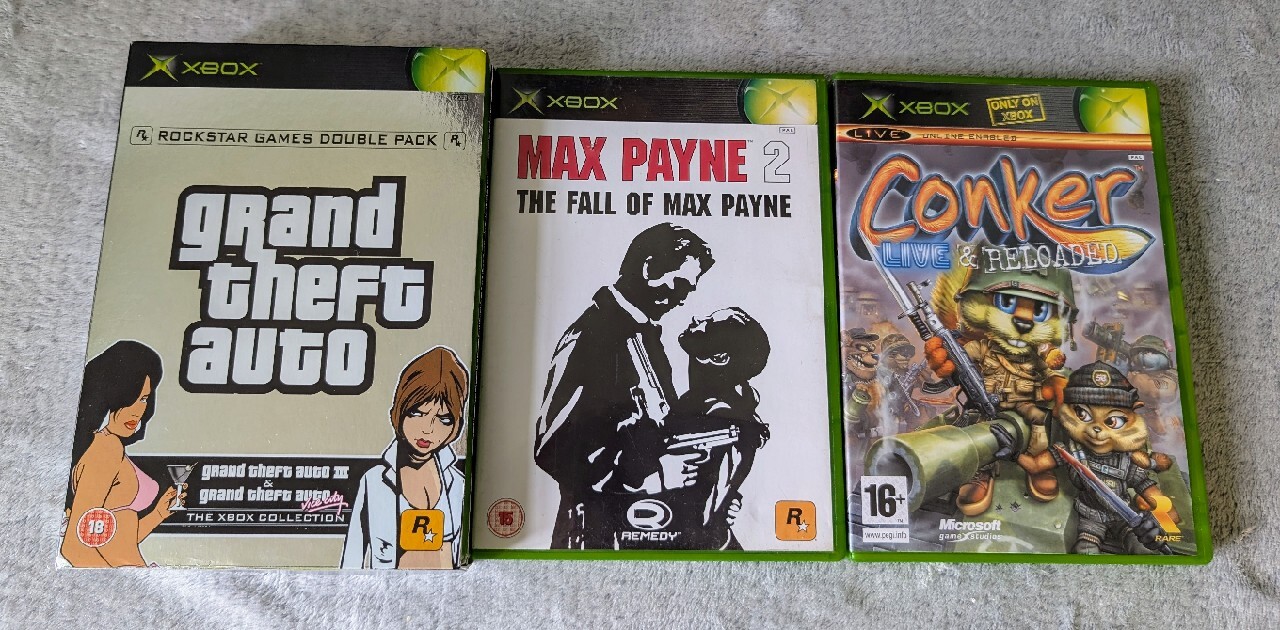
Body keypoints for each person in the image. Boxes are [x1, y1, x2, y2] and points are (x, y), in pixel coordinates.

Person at [534, 223, 715, 549]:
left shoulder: (645, 335)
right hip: (594, 539)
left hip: (638, 530)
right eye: (679, 285)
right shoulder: (591, 334)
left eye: (689, 291)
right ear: (649, 268)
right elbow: (553, 449)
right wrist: (651, 473)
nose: (681, 300)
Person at [343, 346, 468, 569]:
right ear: (400, 409)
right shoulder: (374, 482)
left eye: (444, 419)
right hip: (392, 586)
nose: (428, 429)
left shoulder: (458, 483)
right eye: (417, 413)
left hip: (450, 586)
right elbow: (351, 560)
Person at [61, 340, 184, 567]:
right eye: (128, 400)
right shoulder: (107, 449)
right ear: (108, 396)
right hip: (122, 579)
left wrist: (158, 514)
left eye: (143, 399)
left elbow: (116, 541)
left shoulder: (108, 445)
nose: (137, 411)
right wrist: (118, 581)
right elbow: (74, 546)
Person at [658, 307, 771, 550]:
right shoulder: (697, 402)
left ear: (720, 357)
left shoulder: (720, 414)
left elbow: (713, 504)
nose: (697, 319)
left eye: (708, 322)